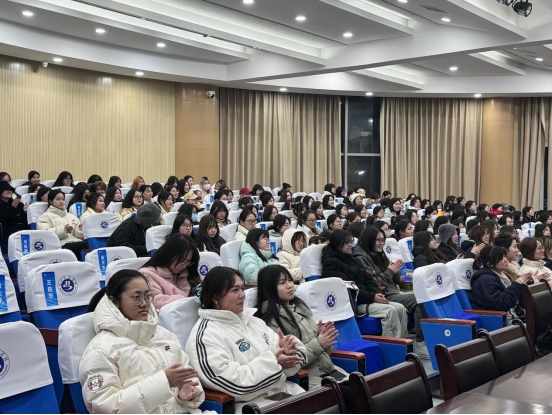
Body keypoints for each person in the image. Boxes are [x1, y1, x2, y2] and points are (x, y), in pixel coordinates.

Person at [80, 270, 205, 414]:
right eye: (136, 297)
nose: (144, 303)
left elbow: (187, 374)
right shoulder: (101, 350)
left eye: (148, 296)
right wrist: (164, 383)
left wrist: (185, 393)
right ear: (115, 302)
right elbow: (105, 408)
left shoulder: (164, 335)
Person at [185, 267, 306, 412]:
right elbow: (236, 384)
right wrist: (275, 363)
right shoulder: (205, 335)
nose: (242, 295)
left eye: (242, 288)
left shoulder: (253, 321)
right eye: (235, 290)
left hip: (285, 392)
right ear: (215, 297)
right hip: (251, 406)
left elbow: (291, 355)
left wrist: (288, 352)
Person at [255, 265, 353, 410]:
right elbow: (291, 363)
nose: (290, 285)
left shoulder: (301, 310)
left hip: (331, 371)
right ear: (269, 288)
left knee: (366, 389)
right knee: (356, 398)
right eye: (282, 282)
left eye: (290, 280)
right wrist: (319, 343)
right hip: (308, 379)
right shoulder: (271, 322)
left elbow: (325, 354)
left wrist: (325, 341)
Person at [354, 226, 428, 357]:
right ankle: (420, 344)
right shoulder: (360, 258)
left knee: (425, 296)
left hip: (393, 291)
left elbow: (395, 279)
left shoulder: (380, 254)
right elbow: (372, 283)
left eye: (383, 240)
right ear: (369, 240)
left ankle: (411, 343)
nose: (381, 243)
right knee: (419, 300)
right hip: (382, 295)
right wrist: (390, 272)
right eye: (378, 240)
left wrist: (396, 273)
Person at [321, 230, 407, 338]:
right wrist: (372, 297)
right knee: (390, 311)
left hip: (368, 298)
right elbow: (348, 288)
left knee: (400, 308)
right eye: (346, 242)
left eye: (351, 242)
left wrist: (376, 293)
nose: (350, 245)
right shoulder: (330, 263)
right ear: (337, 243)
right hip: (355, 303)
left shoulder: (354, 261)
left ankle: (403, 344)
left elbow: (368, 280)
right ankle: (392, 345)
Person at [139, 234, 200, 309]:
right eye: (181, 260)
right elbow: (154, 301)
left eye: (188, 261)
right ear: (169, 254)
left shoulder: (186, 273)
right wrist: (185, 300)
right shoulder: (147, 274)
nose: (184, 266)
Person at [470, 245, 532, 312]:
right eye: (500, 259)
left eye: (504, 256)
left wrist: (526, 282)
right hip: (495, 317)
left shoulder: (501, 274)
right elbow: (501, 304)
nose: (505, 260)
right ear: (490, 264)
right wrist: (517, 285)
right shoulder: (485, 280)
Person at [37, 190, 88, 258]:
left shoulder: (71, 216)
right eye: (58, 199)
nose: (61, 201)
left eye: (63, 199)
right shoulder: (44, 217)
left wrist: (81, 229)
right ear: (51, 201)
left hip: (76, 242)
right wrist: (63, 230)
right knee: (82, 245)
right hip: (60, 244)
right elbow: (45, 234)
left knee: (89, 243)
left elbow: (77, 234)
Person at [0, 181, 29, 246]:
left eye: (10, 190)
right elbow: (3, 219)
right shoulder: (11, 205)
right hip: (7, 232)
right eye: (6, 190)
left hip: (22, 230)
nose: (9, 191)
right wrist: (12, 208)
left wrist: (25, 212)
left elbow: (24, 219)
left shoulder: (17, 203)